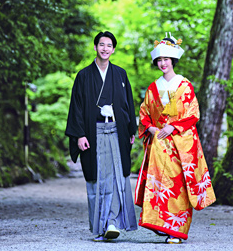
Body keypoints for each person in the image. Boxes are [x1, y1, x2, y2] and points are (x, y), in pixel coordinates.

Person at [135, 32, 216, 244]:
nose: (163, 63)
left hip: (180, 143)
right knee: (159, 184)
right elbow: (144, 114)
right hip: (159, 144)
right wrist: (151, 129)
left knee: (178, 184)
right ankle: (159, 225)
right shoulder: (153, 88)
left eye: (166, 60)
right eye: (159, 60)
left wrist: (173, 127)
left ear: (173, 61)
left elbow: (193, 114)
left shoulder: (185, 86)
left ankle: (176, 229)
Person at [65, 31, 138, 242]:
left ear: (113, 49)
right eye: (101, 44)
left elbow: (127, 104)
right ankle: (100, 226)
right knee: (97, 179)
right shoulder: (84, 76)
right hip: (93, 132)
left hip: (117, 131)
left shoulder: (120, 74)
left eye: (109, 45)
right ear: (95, 47)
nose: (105, 48)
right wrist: (79, 135)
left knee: (117, 177)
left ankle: (112, 222)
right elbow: (76, 107)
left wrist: (130, 130)